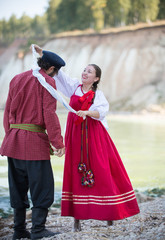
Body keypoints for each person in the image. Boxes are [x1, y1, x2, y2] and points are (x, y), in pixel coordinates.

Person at [34, 45, 140, 232]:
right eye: (84, 70)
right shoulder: (74, 86)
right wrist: (43, 54)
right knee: (76, 172)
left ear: (96, 78)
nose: (85, 73)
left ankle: (109, 215)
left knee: (102, 171)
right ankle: (77, 219)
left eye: (89, 72)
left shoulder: (98, 94)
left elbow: (102, 112)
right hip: (75, 137)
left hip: (95, 137)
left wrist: (87, 112)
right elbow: (59, 74)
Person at [0, 49, 65, 240]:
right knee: (43, 188)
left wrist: (9, 135)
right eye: (56, 71)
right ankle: (38, 230)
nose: (55, 75)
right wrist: (57, 142)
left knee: (17, 187)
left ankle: (18, 230)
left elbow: (7, 112)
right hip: (34, 143)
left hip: (13, 141)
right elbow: (49, 114)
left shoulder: (17, 78)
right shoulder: (47, 81)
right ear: (51, 68)